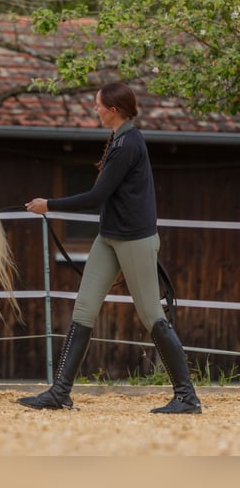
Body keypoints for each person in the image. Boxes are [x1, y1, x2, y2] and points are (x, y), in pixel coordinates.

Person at [19, 82, 201, 414]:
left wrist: (50, 204)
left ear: (113, 110)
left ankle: (187, 397)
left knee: (151, 315)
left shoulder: (129, 143)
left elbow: (96, 196)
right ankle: (61, 392)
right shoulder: (119, 138)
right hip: (109, 237)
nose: (95, 109)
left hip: (134, 240)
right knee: (84, 308)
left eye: (98, 105)